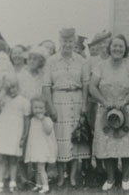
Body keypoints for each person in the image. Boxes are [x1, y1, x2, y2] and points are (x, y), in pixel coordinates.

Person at [89, 34, 129, 191]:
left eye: (121, 46)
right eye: (114, 45)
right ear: (109, 48)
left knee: (126, 144)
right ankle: (110, 178)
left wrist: (124, 101)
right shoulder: (100, 66)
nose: (117, 48)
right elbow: (92, 87)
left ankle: (125, 176)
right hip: (105, 111)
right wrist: (104, 102)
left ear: (125, 49)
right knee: (107, 144)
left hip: (126, 109)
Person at [43, 28, 90, 187]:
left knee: (76, 138)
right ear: (60, 41)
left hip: (76, 100)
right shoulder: (51, 61)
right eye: (64, 41)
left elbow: (85, 85)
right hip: (59, 100)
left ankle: (73, 176)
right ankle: (61, 176)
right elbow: (46, 86)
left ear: (74, 42)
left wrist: (84, 105)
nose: (67, 44)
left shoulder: (81, 61)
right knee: (60, 139)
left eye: (70, 41)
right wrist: (51, 107)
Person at [0, 75, 31, 193]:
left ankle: (13, 182)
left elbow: (26, 119)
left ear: (18, 87)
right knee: (0, 158)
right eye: (9, 89)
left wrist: (25, 135)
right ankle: (0, 183)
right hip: (2, 131)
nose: (11, 90)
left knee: (13, 159)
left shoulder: (24, 101)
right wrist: (3, 91)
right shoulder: (3, 98)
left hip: (15, 132)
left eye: (14, 87)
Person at [25, 96, 57, 194]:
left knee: (41, 168)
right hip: (35, 147)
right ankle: (38, 184)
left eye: (40, 108)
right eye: (35, 108)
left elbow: (48, 131)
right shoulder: (32, 120)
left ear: (45, 109)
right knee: (36, 168)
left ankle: (45, 186)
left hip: (43, 148)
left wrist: (43, 119)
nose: (38, 110)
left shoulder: (47, 119)